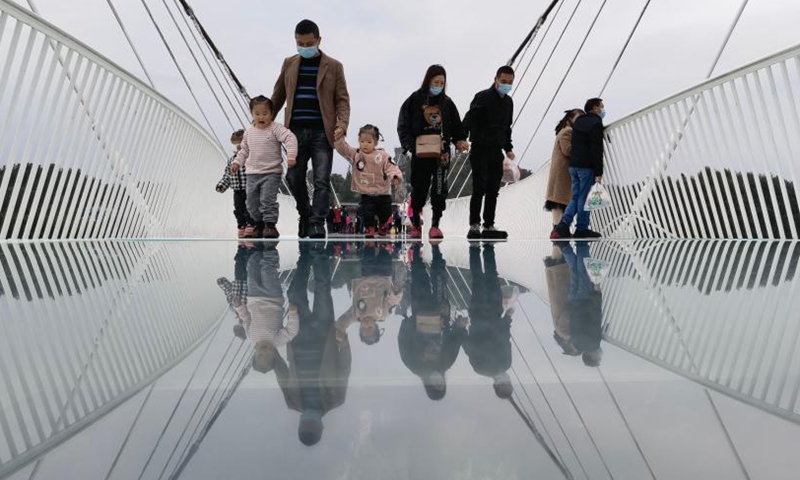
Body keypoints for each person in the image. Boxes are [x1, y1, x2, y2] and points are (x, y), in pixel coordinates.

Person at [271, 19, 351, 239]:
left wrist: (342, 124)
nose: (304, 47)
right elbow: (278, 96)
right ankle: (305, 214)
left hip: (321, 132)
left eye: (308, 43)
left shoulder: (334, 66)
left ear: (318, 40)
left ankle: (316, 223)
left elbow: (342, 100)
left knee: (321, 180)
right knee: (293, 177)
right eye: (300, 44)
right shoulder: (289, 63)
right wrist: (262, 122)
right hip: (294, 132)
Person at [277, 243, 351, 446]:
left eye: (304, 425)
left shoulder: (292, 402)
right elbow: (344, 368)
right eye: (312, 426)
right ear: (321, 427)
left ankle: (304, 257)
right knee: (323, 289)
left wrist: (268, 352)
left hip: (298, 337)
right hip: (323, 336)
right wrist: (343, 343)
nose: (308, 422)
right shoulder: (336, 399)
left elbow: (281, 372)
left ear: (299, 425)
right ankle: (317, 251)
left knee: (294, 294)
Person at [397, 65, 469, 240]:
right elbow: (403, 125)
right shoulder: (414, 100)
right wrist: (410, 145)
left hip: (441, 152)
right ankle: (415, 222)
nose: (439, 86)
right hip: (420, 151)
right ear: (428, 80)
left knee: (439, 187)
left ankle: (435, 224)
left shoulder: (447, 103)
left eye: (442, 83)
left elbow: (456, 126)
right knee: (419, 187)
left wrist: (460, 140)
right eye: (436, 82)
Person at [398, 244, 466, 400]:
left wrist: (410, 322)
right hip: (441, 314)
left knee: (419, 278)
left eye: (435, 385)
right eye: (441, 384)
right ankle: (435, 247)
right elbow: (455, 341)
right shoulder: (446, 362)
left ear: (428, 386)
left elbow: (403, 341)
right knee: (439, 278)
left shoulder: (415, 365)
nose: (438, 381)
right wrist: (460, 327)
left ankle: (416, 248)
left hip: (420, 313)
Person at [231, 96, 298, 239]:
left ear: (272, 113)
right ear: (251, 113)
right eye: (257, 114)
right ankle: (259, 224)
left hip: (271, 173)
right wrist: (237, 162)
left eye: (265, 113)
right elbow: (244, 150)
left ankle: (270, 226)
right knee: (251, 202)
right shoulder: (249, 132)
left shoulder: (275, 129)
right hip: (252, 174)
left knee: (267, 200)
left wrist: (291, 155)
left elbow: (290, 138)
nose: (261, 117)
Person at [463, 66, 516, 240]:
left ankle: (489, 225)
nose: (506, 85)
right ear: (496, 80)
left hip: (496, 150)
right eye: (503, 81)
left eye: (510, 82)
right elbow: (470, 118)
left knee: (493, 189)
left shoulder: (509, 102)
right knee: (479, 188)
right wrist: (462, 138)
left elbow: (507, 127)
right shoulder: (483, 97)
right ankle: (474, 225)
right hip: (480, 147)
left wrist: (508, 148)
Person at [463, 244, 513, 399]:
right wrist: (463, 330)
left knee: (491, 277)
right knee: (478, 278)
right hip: (478, 316)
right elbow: (469, 347)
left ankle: (488, 247)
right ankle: (475, 248)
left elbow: (505, 338)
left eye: (507, 384)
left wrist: (507, 318)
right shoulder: (480, 369)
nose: (508, 381)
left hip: (493, 313)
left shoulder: (505, 364)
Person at [335, 125, 403, 238]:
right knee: (367, 212)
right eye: (362, 141)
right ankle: (370, 228)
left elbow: (391, 167)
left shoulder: (382, 156)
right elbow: (343, 149)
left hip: (383, 192)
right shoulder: (356, 154)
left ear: (375, 143)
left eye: (369, 142)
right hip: (366, 192)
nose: (365, 144)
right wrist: (338, 138)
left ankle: (383, 224)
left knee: (386, 212)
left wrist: (395, 176)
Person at [552, 98, 606, 239]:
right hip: (586, 167)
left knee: (576, 197)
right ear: (595, 107)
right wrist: (599, 172)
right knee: (585, 198)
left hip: (574, 166)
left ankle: (562, 226)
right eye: (601, 106)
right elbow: (596, 149)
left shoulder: (579, 122)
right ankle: (581, 229)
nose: (603, 109)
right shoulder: (596, 123)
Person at [544, 241, 603, 366]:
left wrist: (597, 295)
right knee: (574, 270)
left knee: (582, 269)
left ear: (594, 357)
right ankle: (565, 246)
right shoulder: (576, 342)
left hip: (585, 300)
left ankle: (582, 242)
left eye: (599, 358)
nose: (601, 355)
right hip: (573, 300)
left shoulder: (593, 343)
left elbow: (594, 317)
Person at [335, 242, 403, 345]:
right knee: (385, 261)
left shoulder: (356, 314)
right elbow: (392, 302)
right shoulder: (383, 314)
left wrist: (340, 331)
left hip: (365, 278)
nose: (366, 324)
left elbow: (344, 321)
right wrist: (396, 294)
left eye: (363, 328)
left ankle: (369, 245)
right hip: (383, 278)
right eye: (370, 327)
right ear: (376, 326)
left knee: (368, 262)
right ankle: (383, 246)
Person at [245, 245, 299, 373]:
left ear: (255, 353)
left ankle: (257, 248)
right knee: (267, 270)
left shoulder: (251, 338)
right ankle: (270, 246)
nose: (263, 352)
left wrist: (239, 307)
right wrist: (293, 315)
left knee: (251, 269)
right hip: (273, 297)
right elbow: (291, 331)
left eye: (260, 355)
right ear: (275, 353)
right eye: (267, 355)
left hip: (253, 297)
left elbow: (246, 319)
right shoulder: (277, 340)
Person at [546, 109, 584, 239]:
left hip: (561, 172)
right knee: (559, 201)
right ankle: (558, 230)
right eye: (578, 118)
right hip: (562, 172)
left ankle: (559, 229)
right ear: (570, 118)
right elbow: (568, 150)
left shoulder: (564, 130)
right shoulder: (567, 131)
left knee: (559, 201)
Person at [216, 129, 255, 238]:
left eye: (241, 146)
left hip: (249, 188)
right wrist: (222, 185)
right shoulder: (232, 161)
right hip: (237, 190)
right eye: (237, 146)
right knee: (238, 209)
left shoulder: (250, 158)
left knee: (249, 207)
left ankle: (251, 224)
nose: (238, 149)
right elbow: (228, 175)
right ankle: (241, 225)